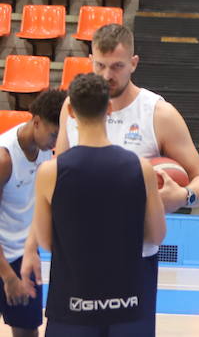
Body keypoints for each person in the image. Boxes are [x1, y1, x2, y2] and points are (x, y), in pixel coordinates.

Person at [32, 24, 199, 326]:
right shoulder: (72, 108)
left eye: (117, 66)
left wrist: (183, 195)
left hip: (134, 258)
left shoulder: (158, 113)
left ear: (134, 64)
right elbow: (60, 176)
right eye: (100, 65)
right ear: (90, 60)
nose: (107, 75)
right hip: (77, 257)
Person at [29, 73, 165, 337]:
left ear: (69, 110)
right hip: (127, 303)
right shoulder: (141, 168)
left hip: (72, 304)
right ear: (110, 108)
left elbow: (46, 242)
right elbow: (156, 235)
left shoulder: (50, 172)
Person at [0, 89, 63, 337]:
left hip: (22, 256)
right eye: (53, 134)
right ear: (36, 121)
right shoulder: (5, 159)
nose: (56, 142)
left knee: (27, 332)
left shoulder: (45, 149)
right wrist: (8, 277)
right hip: (3, 257)